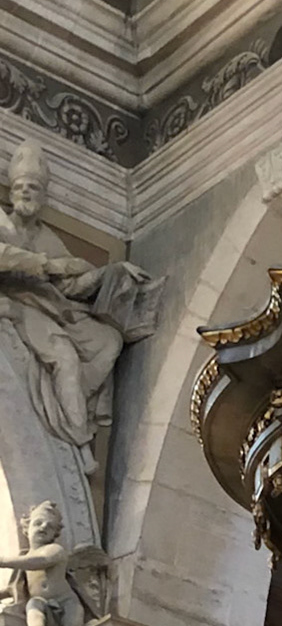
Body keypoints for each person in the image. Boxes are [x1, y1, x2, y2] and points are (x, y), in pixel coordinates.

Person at [0, 140, 161, 476]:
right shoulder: (2, 225)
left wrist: (109, 273)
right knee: (66, 358)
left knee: (108, 342)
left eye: (33, 188)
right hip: (21, 304)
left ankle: (73, 408)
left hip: (54, 307)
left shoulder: (48, 237)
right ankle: (79, 440)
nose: (26, 193)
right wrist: (48, 265)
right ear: (12, 193)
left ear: (43, 197)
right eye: (21, 188)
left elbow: (70, 286)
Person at [0, 499, 102, 626]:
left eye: (50, 526)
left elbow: (40, 561)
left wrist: (5, 560)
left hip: (67, 601)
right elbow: (14, 587)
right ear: (26, 526)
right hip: (42, 600)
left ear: (56, 533)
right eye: (38, 523)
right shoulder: (24, 557)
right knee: (33, 606)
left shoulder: (55, 550)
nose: (43, 527)